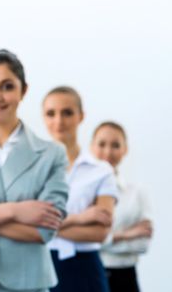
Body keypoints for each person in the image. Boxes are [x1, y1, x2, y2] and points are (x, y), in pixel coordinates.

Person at [0, 49, 69, 292]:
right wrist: (16, 211)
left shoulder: (52, 154)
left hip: (29, 281)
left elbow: (44, 230)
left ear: (24, 90)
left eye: (7, 86)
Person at [42, 86, 118, 292]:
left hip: (84, 268)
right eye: (51, 113)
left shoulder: (101, 170)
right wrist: (80, 219)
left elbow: (99, 232)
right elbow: (25, 226)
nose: (59, 121)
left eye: (67, 113)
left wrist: (44, 227)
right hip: (40, 265)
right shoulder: (32, 168)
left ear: (81, 116)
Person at [92, 121, 152, 292]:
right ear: (91, 147)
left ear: (125, 149)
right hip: (92, 273)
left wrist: (103, 239)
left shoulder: (137, 193)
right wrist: (128, 234)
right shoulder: (82, 193)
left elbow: (142, 244)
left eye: (116, 145)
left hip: (125, 277)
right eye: (102, 144)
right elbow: (80, 239)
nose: (108, 152)